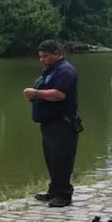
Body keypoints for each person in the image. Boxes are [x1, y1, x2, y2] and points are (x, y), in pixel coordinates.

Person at [25, 40, 80, 208]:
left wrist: (36, 93)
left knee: (62, 159)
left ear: (57, 53)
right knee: (52, 159)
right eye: (41, 56)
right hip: (49, 122)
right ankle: (54, 190)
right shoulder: (50, 70)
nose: (42, 59)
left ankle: (64, 194)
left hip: (62, 123)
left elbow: (59, 95)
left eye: (46, 56)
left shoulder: (65, 71)